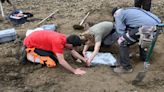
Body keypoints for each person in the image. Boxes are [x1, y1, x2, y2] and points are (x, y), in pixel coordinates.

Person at [112, 7, 161, 73]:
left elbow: (121, 32)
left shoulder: (118, 15)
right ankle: (144, 57)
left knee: (122, 41)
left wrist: (124, 39)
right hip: (158, 26)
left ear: (114, 15)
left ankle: (126, 67)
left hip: (147, 28)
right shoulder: (129, 10)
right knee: (139, 37)